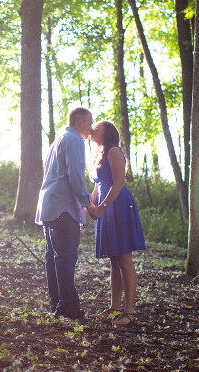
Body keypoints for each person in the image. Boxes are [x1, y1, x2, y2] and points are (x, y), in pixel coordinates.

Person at [35, 107, 96, 321]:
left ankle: (58, 305)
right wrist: (87, 205)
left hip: (49, 206)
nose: (92, 127)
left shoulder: (57, 141)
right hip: (62, 207)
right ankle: (68, 308)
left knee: (53, 258)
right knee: (65, 258)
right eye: (90, 122)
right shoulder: (74, 140)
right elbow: (76, 177)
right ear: (79, 123)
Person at [87, 120, 145, 327]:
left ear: (107, 132)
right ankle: (114, 307)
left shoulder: (113, 151)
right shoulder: (98, 154)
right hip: (105, 208)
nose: (92, 128)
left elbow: (118, 183)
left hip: (119, 206)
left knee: (124, 259)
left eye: (97, 126)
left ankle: (129, 312)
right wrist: (91, 205)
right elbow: (97, 185)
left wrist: (102, 207)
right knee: (114, 259)